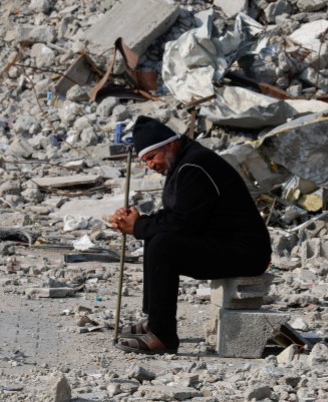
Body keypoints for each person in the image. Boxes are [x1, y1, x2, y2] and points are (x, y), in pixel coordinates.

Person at [111, 115, 272, 355]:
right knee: (156, 238)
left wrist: (137, 227)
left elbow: (182, 225)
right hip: (226, 243)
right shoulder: (184, 163)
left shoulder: (194, 166)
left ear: (170, 145)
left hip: (245, 251)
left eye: (151, 158)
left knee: (162, 245)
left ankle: (163, 336)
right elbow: (175, 215)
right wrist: (139, 221)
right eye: (145, 161)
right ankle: (155, 321)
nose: (151, 165)